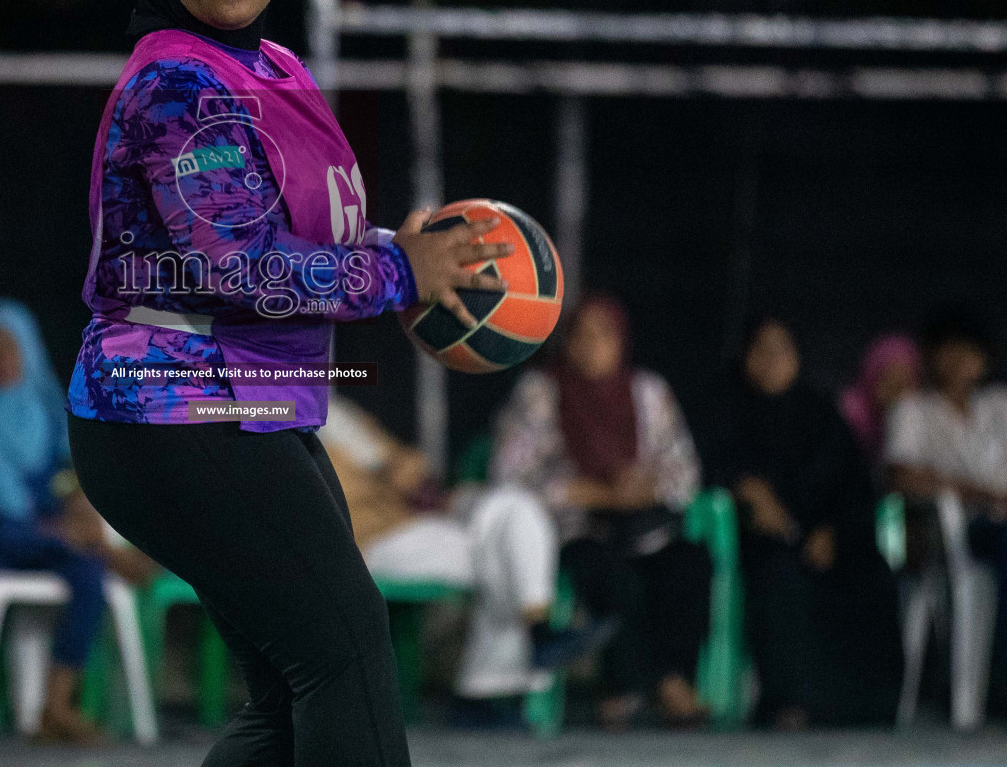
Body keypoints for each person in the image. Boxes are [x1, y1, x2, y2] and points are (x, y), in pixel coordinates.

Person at [65, 0, 509, 766]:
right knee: (342, 653)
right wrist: (394, 270)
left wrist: (405, 250)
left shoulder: (272, 68)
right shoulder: (178, 91)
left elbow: (289, 228)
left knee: (289, 692)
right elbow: (242, 267)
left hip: (246, 400)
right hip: (168, 408)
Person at [0, 298, 152, 745]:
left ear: (29, 352)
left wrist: (77, 504)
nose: (0, 361)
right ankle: (115, 557)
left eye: (10, 349)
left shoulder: (46, 415)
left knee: (88, 572)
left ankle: (54, 705)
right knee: (82, 549)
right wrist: (54, 527)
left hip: (48, 539)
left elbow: (66, 476)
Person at [496, 294, 711, 729]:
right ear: (568, 342)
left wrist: (643, 486)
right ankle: (658, 686)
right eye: (583, 335)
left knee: (691, 565)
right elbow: (509, 475)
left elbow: (686, 472)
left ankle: (633, 688)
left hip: (645, 527)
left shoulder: (648, 391)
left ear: (622, 341)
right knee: (614, 578)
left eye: (605, 334)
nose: (594, 346)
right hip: (577, 529)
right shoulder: (542, 390)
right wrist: (593, 493)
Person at [321, 396, 611, 702]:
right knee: (502, 551)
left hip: (421, 512)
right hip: (366, 534)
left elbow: (404, 461)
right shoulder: (273, 403)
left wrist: (410, 477)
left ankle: (530, 642)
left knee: (516, 505)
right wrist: (388, 477)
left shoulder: (331, 405)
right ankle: (520, 661)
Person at [721, 317, 901, 728]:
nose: (771, 361)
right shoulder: (730, 409)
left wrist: (834, 532)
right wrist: (744, 490)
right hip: (764, 540)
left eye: (782, 351)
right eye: (760, 351)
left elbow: (855, 485)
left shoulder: (822, 414)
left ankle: (866, 706)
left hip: (832, 538)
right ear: (745, 358)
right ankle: (791, 702)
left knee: (872, 579)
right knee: (779, 576)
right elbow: (716, 469)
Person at [886, 312, 1007, 701]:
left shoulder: (999, 405)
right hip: (957, 530)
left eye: (967, 352)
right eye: (948, 351)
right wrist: (980, 494)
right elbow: (901, 476)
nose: (958, 361)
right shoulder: (914, 410)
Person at [839, 333, 920, 469]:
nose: (895, 391)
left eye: (903, 383)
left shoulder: (915, 420)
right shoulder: (847, 412)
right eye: (889, 378)